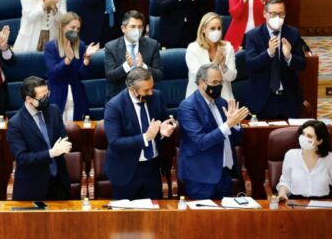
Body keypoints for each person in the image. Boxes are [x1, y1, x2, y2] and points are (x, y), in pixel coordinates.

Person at [177, 63, 248, 199]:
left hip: (224, 172)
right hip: (200, 177)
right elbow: (201, 142)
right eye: (214, 82)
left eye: (220, 82)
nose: (218, 86)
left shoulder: (222, 103)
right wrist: (228, 124)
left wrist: (235, 125)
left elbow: (236, 140)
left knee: (224, 219)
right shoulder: (187, 107)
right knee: (202, 219)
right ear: (201, 83)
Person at [104, 67, 177, 200]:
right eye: (146, 90)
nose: (150, 93)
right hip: (126, 170)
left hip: (152, 167)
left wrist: (163, 129)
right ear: (132, 89)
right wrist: (146, 137)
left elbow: (165, 121)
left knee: (153, 215)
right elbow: (115, 142)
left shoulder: (157, 96)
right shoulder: (114, 106)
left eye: (151, 87)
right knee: (126, 217)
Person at [7, 76, 72, 200]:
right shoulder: (16, 123)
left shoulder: (53, 111)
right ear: (29, 99)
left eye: (47, 94)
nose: (47, 99)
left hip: (59, 181)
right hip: (33, 186)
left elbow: (63, 137)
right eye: (42, 97)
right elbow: (22, 158)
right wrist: (51, 153)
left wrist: (66, 145)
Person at [245, 0, 306, 119]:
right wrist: (268, 53)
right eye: (273, 14)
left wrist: (289, 56)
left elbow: (303, 64)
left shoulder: (293, 34)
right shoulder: (253, 35)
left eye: (281, 14)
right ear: (264, 14)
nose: (277, 17)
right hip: (262, 99)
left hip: (287, 98)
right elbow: (250, 65)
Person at [276, 120, 332, 205]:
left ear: (319, 141)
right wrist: (282, 193)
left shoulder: (331, 158)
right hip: (296, 203)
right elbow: (285, 181)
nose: (304, 138)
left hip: (323, 204)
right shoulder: (290, 155)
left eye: (309, 136)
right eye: (303, 134)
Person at [44, 12, 100, 122]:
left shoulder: (81, 45)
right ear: (62, 26)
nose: (75, 31)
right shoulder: (51, 46)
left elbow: (81, 75)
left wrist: (87, 59)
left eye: (78, 29)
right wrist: (67, 60)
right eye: (72, 27)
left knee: (77, 130)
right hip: (56, 94)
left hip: (76, 95)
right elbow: (52, 74)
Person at [104, 10, 163, 101]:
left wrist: (143, 66)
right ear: (123, 28)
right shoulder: (111, 47)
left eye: (140, 27)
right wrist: (126, 66)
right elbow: (110, 77)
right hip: (120, 98)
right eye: (133, 27)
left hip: (145, 96)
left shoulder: (152, 45)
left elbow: (159, 75)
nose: (137, 30)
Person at [185, 12, 237, 100]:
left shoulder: (227, 47)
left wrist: (223, 66)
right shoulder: (193, 48)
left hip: (224, 98)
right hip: (199, 100)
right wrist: (215, 62)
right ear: (203, 29)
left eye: (219, 28)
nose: (216, 31)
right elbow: (199, 76)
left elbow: (232, 77)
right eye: (212, 28)